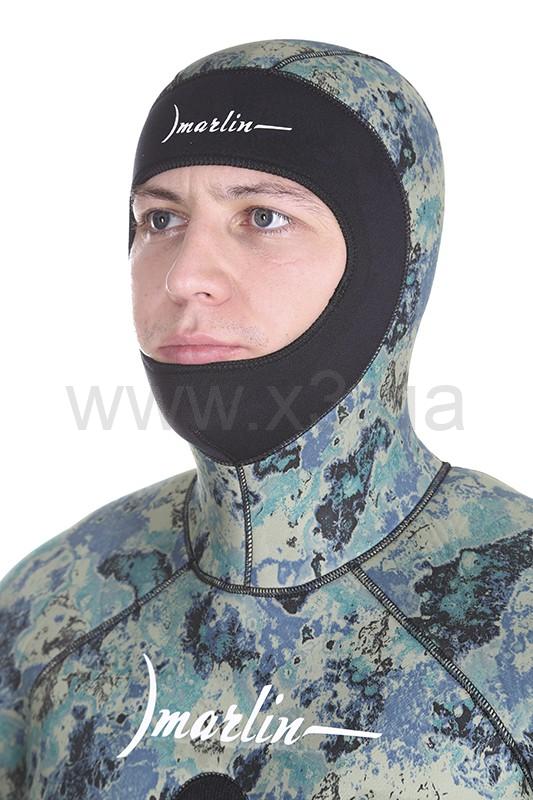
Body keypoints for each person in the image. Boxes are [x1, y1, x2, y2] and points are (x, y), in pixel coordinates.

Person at [0, 37, 531, 800]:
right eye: (159, 219)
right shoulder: (51, 608)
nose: (185, 277)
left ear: (391, 261)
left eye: (261, 216)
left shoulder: (514, 621)